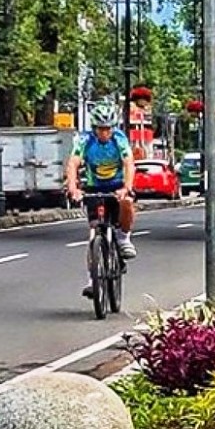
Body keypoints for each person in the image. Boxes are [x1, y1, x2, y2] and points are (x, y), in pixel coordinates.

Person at [65, 101, 137, 299]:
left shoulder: (119, 140)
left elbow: (129, 164)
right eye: (100, 129)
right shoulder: (85, 140)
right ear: (94, 128)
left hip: (117, 186)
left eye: (107, 129)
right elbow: (73, 164)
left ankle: (123, 238)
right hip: (94, 187)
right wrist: (73, 189)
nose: (104, 133)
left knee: (127, 203)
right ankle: (92, 278)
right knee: (93, 233)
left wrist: (126, 187)